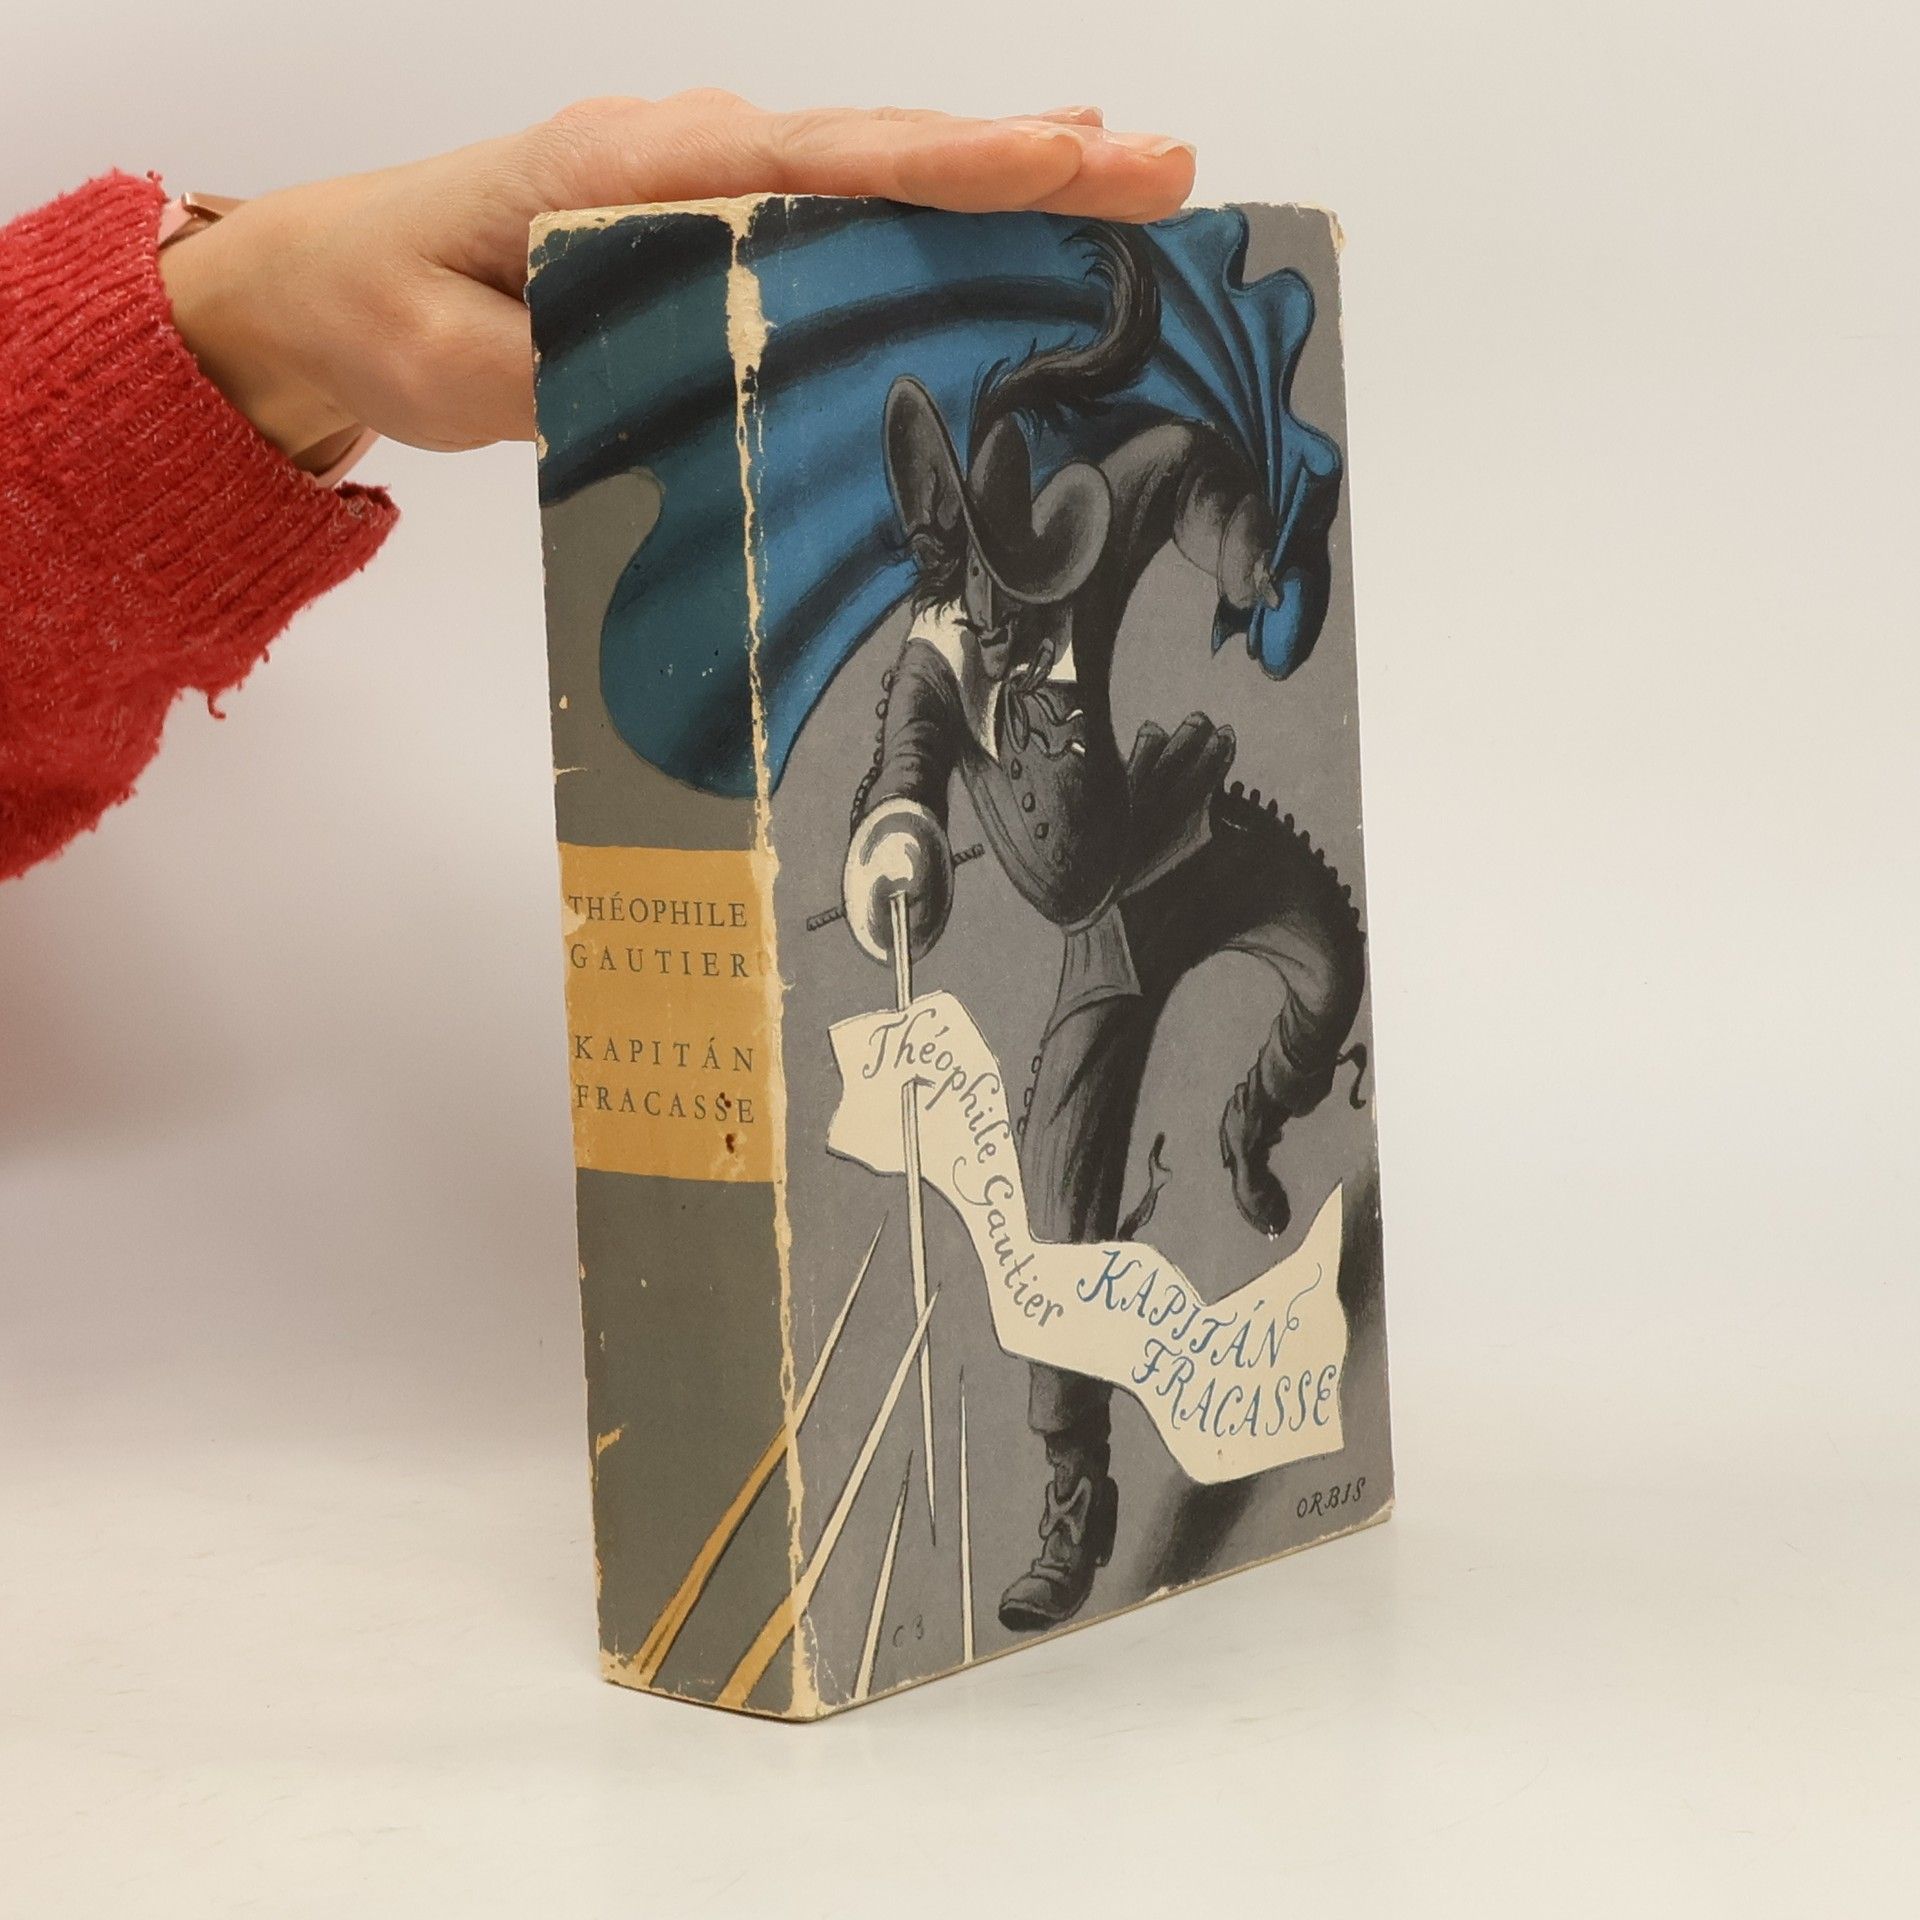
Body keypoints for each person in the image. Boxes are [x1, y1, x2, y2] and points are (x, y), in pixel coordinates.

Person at [0, 95, 1195, 882]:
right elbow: (915, 740)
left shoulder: (1120, 534)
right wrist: (234, 323)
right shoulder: (949, 633)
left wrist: (240, 317)